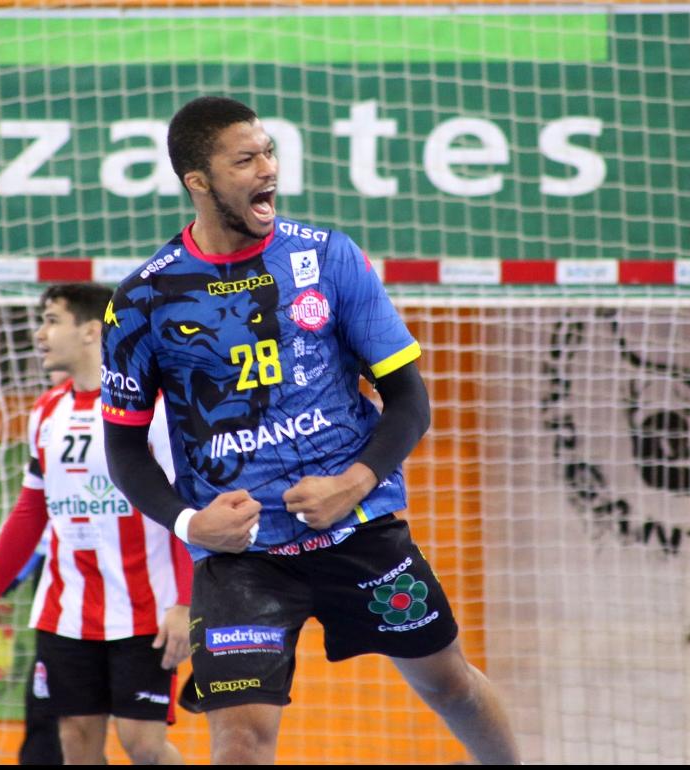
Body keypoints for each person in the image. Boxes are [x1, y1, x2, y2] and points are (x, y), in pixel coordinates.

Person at [100, 96, 521, 764]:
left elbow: (410, 403)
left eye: (268, 151)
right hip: (242, 558)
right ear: (199, 182)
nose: (267, 168)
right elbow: (123, 448)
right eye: (245, 159)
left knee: (447, 684)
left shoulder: (329, 257)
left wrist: (351, 486)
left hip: (359, 528)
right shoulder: (144, 298)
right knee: (239, 737)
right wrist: (190, 525)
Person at [0, 282, 193, 765]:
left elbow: (184, 510)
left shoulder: (156, 409)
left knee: (143, 746)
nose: (39, 333)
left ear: (91, 331)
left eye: (52, 320)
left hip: (145, 611)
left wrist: (184, 601)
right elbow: (31, 511)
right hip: (65, 612)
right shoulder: (46, 412)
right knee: (75, 744)